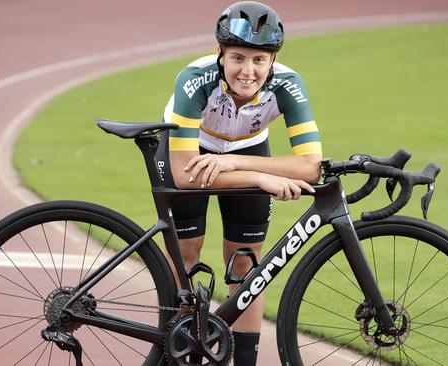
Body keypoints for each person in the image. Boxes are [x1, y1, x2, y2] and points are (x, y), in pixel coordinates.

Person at [162, 1, 322, 364]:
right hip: (188, 151)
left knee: (246, 266)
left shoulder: (288, 84)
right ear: (219, 53)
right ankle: (173, 353)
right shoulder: (194, 78)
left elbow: (311, 166)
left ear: (272, 62)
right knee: (184, 256)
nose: (247, 71)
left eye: (259, 60)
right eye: (237, 58)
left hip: (247, 149)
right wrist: (262, 176)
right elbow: (185, 174)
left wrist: (233, 161)